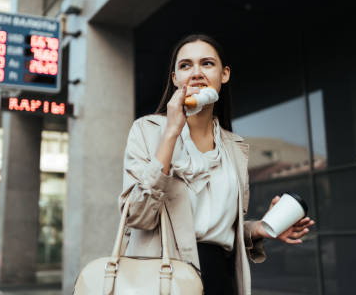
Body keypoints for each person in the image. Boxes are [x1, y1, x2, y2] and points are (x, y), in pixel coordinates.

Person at [119, 34, 315, 295]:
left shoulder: (234, 147)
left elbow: (220, 230)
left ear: (224, 74)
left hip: (220, 281)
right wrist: (171, 133)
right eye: (186, 65)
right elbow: (137, 216)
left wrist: (258, 228)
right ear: (175, 78)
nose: (196, 72)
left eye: (207, 63)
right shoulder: (147, 130)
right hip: (162, 279)